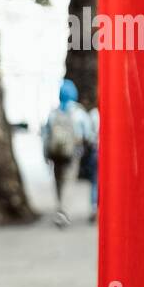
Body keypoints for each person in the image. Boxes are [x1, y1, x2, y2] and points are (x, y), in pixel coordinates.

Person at [42, 78, 91, 227]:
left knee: (58, 180)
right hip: (73, 152)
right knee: (69, 180)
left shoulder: (53, 113)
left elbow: (46, 135)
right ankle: (63, 211)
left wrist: (45, 154)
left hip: (55, 153)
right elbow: (87, 133)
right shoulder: (78, 112)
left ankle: (59, 207)